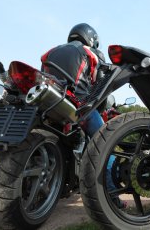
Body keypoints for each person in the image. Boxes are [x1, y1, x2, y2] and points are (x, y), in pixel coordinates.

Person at [41, 23, 125, 207]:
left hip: (49, 100)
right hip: (78, 105)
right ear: (91, 39)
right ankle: (113, 199)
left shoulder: (51, 52)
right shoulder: (92, 53)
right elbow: (101, 88)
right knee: (106, 147)